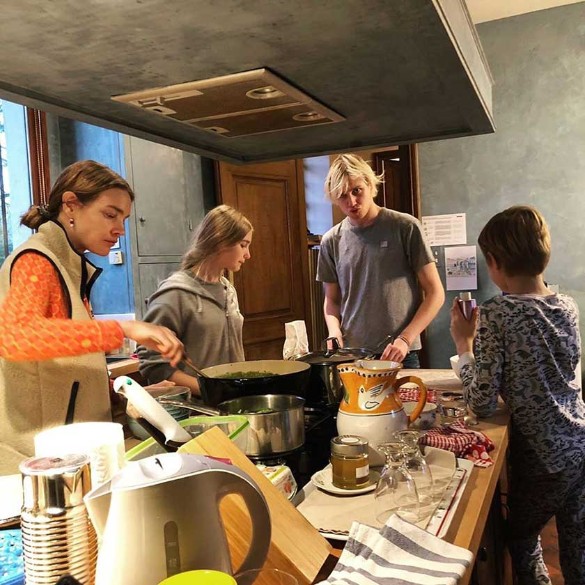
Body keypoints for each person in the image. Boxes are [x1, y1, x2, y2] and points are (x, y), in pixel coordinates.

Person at [0, 160, 184, 474]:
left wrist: (123, 392)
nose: (120, 229)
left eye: (124, 219)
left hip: (68, 459)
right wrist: (124, 328)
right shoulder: (36, 260)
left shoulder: (68, 264)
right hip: (36, 463)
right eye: (110, 214)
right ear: (71, 205)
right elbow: (16, 338)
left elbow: (57, 369)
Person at [450, 206, 585, 585]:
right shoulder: (567, 306)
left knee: (522, 537)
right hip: (578, 441)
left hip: (542, 458)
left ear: (494, 261)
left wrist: (464, 345)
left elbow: (481, 401)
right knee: (577, 546)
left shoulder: (497, 313)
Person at [316, 154, 444, 367]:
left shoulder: (405, 227)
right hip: (352, 354)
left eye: (357, 191)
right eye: (342, 196)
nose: (351, 202)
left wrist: (406, 339)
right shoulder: (331, 240)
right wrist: (334, 331)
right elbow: (332, 300)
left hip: (399, 352)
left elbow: (435, 293)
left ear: (370, 185)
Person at [138, 205, 252, 396]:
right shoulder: (175, 293)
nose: (248, 254)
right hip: (196, 408)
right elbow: (152, 363)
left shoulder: (228, 289)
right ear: (221, 241)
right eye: (243, 245)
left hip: (231, 403)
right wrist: (208, 390)